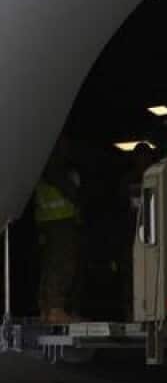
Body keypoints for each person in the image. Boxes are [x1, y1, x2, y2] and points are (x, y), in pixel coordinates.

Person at [33, 139, 81, 324]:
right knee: (61, 264)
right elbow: (68, 190)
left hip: (48, 220)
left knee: (49, 265)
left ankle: (46, 308)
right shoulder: (54, 167)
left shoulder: (42, 166)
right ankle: (54, 308)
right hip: (59, 220)